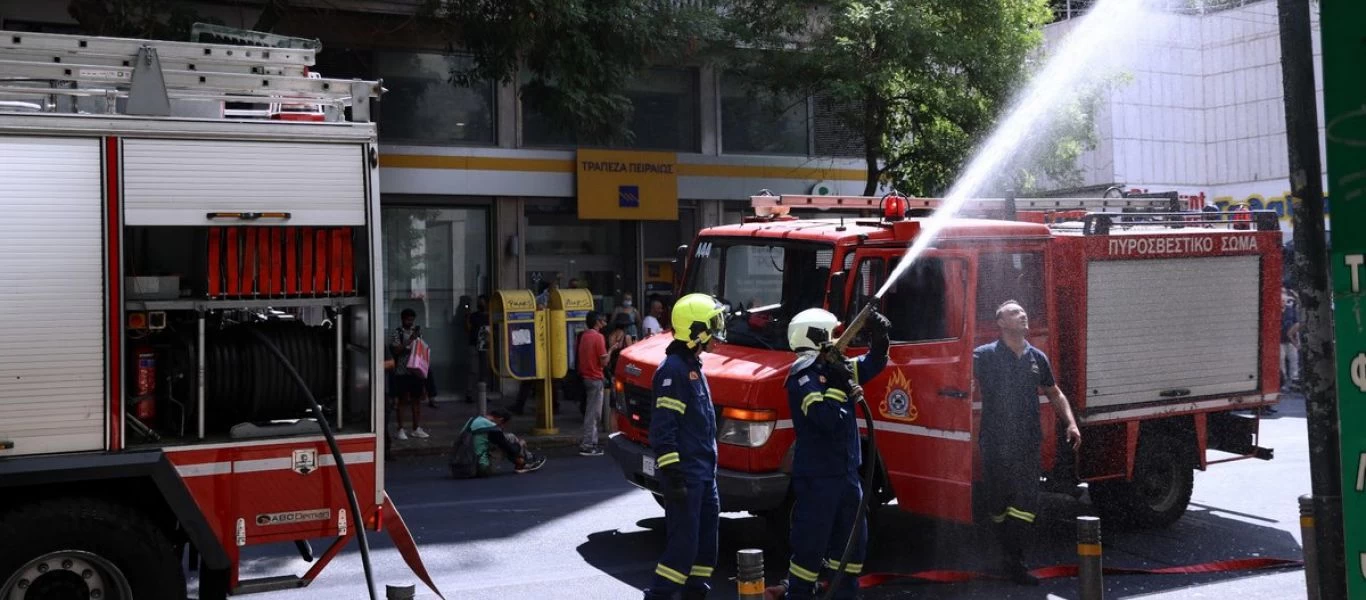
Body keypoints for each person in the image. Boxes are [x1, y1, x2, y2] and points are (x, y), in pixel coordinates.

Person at [772, 308, 889, 600]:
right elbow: (825, 419)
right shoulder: (803, 375)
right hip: (819, 476)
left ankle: (844, 594)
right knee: (811, 545)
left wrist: (881, 339)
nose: (840, 339)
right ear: (818, 337)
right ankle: (798, 595)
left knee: (852, 544)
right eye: (834, 334)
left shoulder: (836, 367)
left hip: (847, 474)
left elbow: (874, 363)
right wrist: (839, 386)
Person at [973, 300, 1081, 585]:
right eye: (1014, 313)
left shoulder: (1037, 358)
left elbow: (1055, 393)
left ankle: (1014, 561)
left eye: (1023, 311)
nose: (1023, 315)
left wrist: (1070, 422)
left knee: (1025, 502)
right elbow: (956, 379)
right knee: (997, 504)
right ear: (1001, 322)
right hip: (995, 442)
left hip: (1027, 442)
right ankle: (1005, 553)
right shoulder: (983, 356)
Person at [644, 293, 727, 600]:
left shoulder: (694, 366)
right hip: (687, 476)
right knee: (683, 548)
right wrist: (673, 475)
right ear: (695, 330)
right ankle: (659, 595)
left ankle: (695, 594)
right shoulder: (673, 370)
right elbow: (664, 429)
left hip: (705, 475)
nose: (717, 334)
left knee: (706, 549)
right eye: (712, 326)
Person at [451, 409, 545, 477]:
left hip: (457, 467)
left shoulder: (473, 420)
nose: (502, 427)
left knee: (508, 437)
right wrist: (520, 443)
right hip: (479, 469)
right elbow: (511, 449)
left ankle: (523, 462)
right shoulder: (493, 428)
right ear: (500, 419)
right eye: (503, 425)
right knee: (509, 442)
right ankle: (524, 463)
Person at [577, 311, 620, 457]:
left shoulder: (584, 336)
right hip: (595, 378)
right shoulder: (598, 337)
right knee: (594, 413)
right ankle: (588, 444)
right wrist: (611, 350)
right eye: (603, 321)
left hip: (586, 377)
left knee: (592, 412)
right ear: (597, 322)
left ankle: (590, 442)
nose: (605, 324)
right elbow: (604, 361)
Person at [389, 308, 429, 440]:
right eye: (408, 319)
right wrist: (410, 340)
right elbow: (396, 350)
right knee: (402, 401)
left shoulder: (417, 333)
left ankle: (416, 428)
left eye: (412, 320)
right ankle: (400, 429)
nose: (410, 322)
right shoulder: (397, 332)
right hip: (402, 371)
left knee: (416, 400)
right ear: (402, 319)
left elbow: (420, 348)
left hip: (415, 372)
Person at [466, 294, 492, 404]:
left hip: (485, 345)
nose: (480, 304)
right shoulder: (473, 316)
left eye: (482, 302)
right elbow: (468, 329)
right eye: (479, 302)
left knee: (484, 371)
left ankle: (482, 394)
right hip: (474, 344)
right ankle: (469, 394)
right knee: (473, 370)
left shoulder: (490, 316)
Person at [1281, 288, 1302, 392]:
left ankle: (1294, 381)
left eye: (1284, 300)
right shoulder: (1274, 312)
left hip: (1290, 341)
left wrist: (1296, 340)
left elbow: (1296, 323)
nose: (1283, 302)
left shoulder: (1291, 311)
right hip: (1279, 341)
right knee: (1281, 362)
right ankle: (1283, 382)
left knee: (1294, 360)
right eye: (1281, 300)